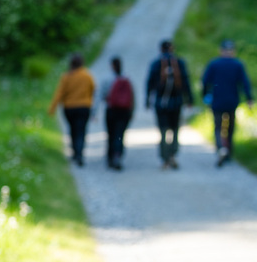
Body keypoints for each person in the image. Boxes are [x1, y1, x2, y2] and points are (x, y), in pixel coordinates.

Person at [200, 39, 253, 167]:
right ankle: (228, 152)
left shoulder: (214, 64)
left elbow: (205, 81)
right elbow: (244, 83)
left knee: (218, 127)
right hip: (232, 101)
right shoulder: (238, 64)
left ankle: (220, 149)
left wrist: (205, 96)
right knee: (230, 127)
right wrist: (249, 98)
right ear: (233, 51)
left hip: (217, 100)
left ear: (221, 51)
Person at [145, 40, 193, 169]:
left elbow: (149, 83)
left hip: (161, 103)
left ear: (160, 49)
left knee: (163, 131)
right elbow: (186, 82)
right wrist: (190, 99)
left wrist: (147, 100)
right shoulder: (180, 63)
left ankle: (164, 158)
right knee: (175, 129)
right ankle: (172, 155)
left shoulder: (156, 63)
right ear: (172, 49)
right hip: (176, 102)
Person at [49, 54, 95, 166]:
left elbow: (59, 93)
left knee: (73, 129)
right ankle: (79, 154)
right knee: (81, 131)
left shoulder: (66, 77)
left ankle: (75, 153)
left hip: (69, 108)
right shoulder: (87, 75)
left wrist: (52, 108)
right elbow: (93, 89)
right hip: (84, 107)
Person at [102, 56, 135, 170]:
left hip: (111, 110)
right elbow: (132, 97)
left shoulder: (107, 79)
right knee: (120, 135)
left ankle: (110, 157)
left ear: (112, 66)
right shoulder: (127, 79)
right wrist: (131, 111)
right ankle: (118, 156)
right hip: (124, 112)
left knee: (111, 134)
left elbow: (101, 95)